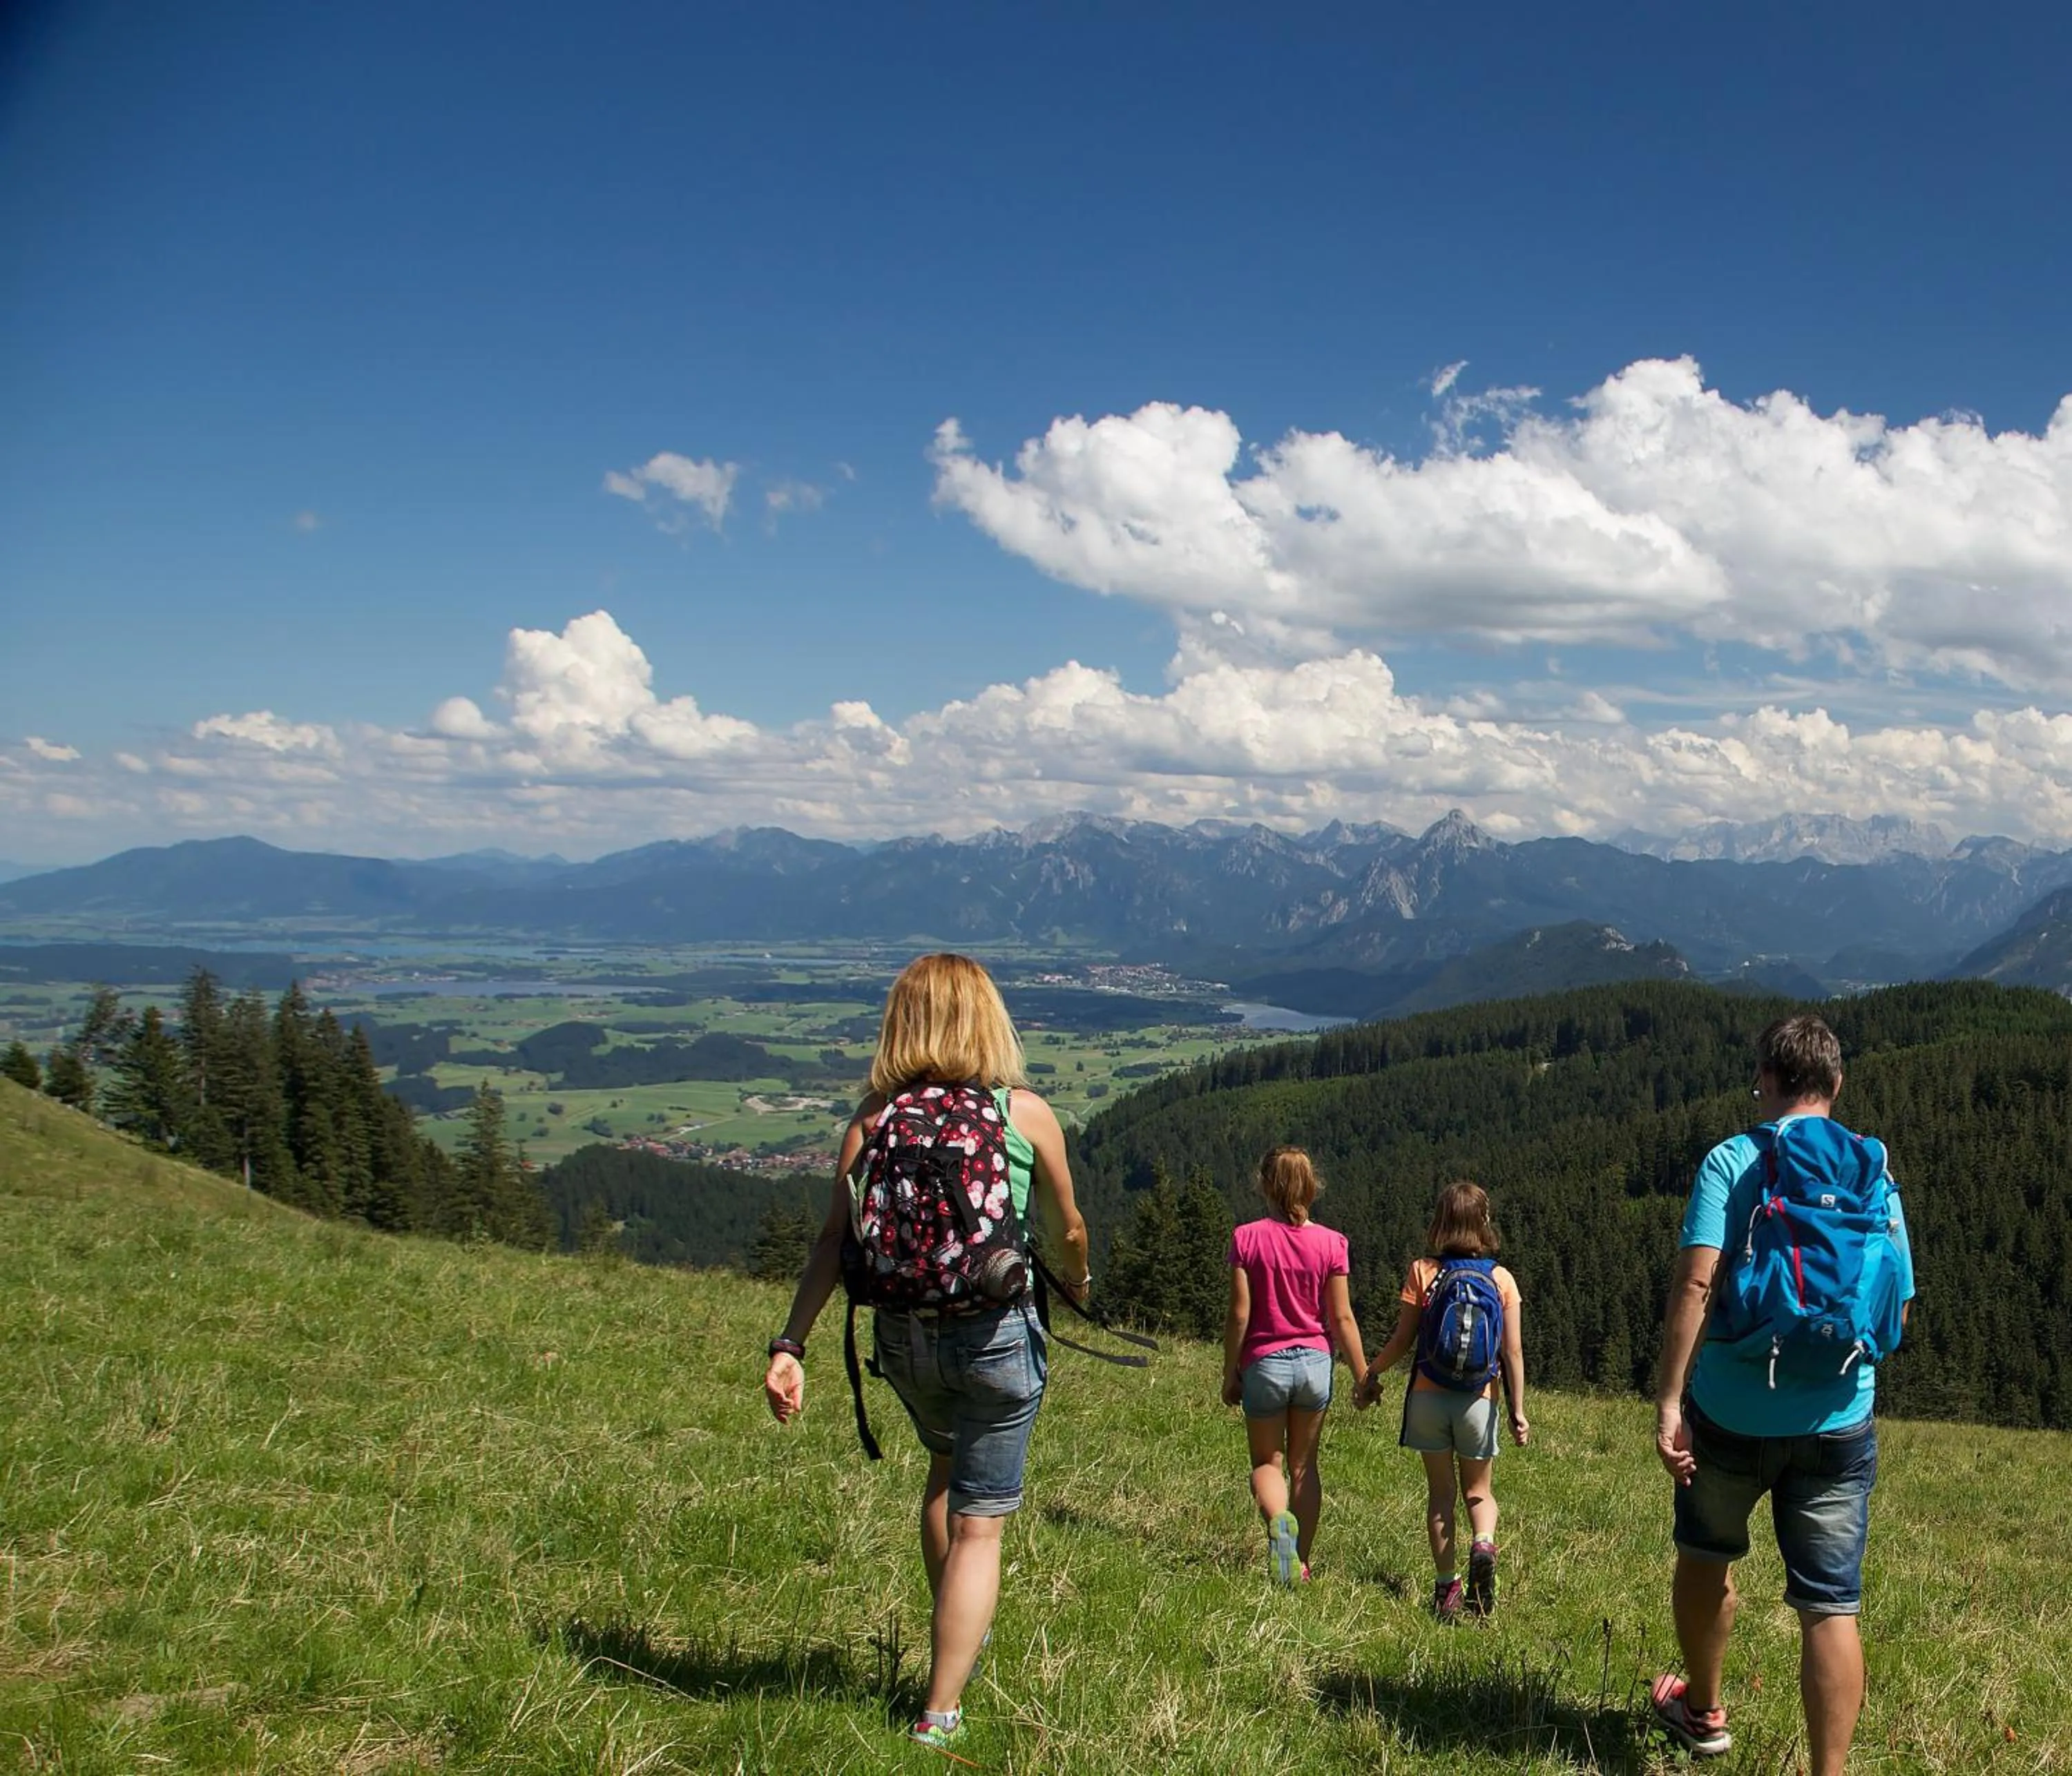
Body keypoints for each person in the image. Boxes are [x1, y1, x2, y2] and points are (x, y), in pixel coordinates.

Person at [761, 953, 1091, 1751]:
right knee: (983, 1523)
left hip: (904, 1341)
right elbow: (1068, 1227)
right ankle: (940, 1713)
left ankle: (953, 1643)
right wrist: (1077, 1277)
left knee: (945, 1476)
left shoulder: (873, 1120)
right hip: (996, 1341)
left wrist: (790, 1343)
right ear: (989, 1018)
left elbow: (831, 1246)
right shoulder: (1023, 1113)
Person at [1651, 1013, 1915, 1770]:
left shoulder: (1733, 1160)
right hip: (1838, 1420)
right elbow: (1894, 1306)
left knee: (1706, 1554)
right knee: (1830, 1606)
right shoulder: (1873, 1172)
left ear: (1766, 1079)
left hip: (1731, 1409)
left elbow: (1697, 1282)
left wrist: (1671, 1401)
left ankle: (1702, 1709)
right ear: (1835, 1085)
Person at [1354, 1181, 1529, 1621]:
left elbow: (1402, 1339)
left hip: (1429, 1397)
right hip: (1479, 1400)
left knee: (1440, 1494)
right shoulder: (1500, 1278)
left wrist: (1370, 1374)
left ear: (1440, 1222)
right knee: (1478, 1492)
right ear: (1485, 1223)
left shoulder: (1423, 1272)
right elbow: (1512, 1353)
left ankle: (1447, 1588)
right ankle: (1484, 1543)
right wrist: (1517, 1411)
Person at [1221, 1147, 1371, 1585]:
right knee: (1305, 1466)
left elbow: (1240, 1314)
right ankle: (1300, 1564)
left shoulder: (1246, 1238)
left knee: (1268, 1463)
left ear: (1265, 1184)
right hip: (1315, 1364)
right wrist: (1362, 1375)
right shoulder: (1332, 1243)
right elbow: (1342, 1317)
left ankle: (1277, 1522)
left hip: (1265, 1364)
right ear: (1311, 1187)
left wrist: (1231, 1371)